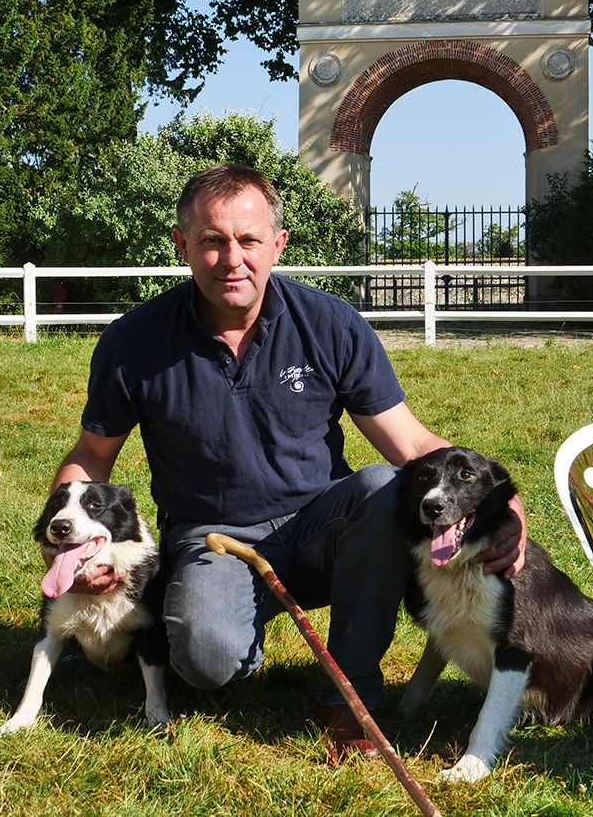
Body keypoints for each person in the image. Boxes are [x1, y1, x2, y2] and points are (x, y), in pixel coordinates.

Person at [51, 163, 527, 760]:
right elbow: (91, 456)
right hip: (214, 538)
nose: (232, 259)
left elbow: (410, 445)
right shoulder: (134, 341)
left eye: (249, 240)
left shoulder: (330, 322)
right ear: (182, 245)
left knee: (384, 486)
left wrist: (504, 502)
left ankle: (350, 698)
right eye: (212, 240)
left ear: (277, 244)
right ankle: (230, 630)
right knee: (206, 662)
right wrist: (71, 549)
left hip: (321, 527)